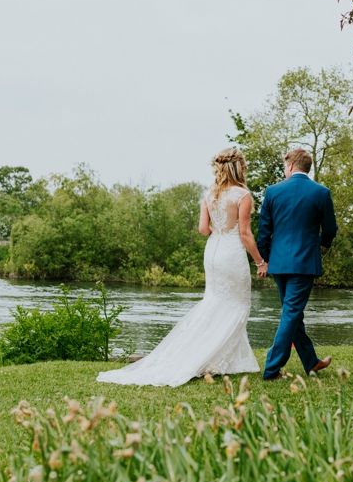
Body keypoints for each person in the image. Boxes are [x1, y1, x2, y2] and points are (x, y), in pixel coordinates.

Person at [96, 148, 263, 387]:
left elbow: (203, 230)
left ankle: (222, 360)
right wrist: (260, 261)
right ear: (239, 169)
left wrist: (219, 229)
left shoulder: (210, 195)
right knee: (237, 305)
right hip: (231, 253)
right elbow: (245, 234)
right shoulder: (242, 195)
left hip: (213, 253)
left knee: (214, 303)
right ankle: (212, 359)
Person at [257, 148, 338, 380]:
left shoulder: (272, 192)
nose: (285, 170)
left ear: (291, 166)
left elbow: (264, 231)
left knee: (292, 314)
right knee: (291, 313)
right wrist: (323, 245)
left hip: (279, 263)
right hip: (304, 262)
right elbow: (331, 228)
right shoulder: (321, 192)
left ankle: (311, 362)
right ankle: (272, 370)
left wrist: (267, 257)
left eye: (285, 166)